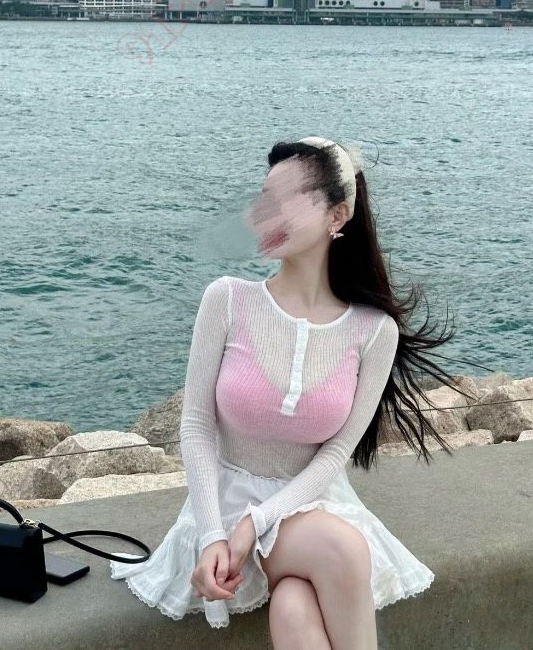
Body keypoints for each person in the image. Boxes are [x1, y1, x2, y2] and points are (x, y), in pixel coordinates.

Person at [110, 136, 464, 647]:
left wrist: (257, 524)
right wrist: (214, 533)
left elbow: (336, 452)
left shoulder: (373, 331)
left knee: (296, 609)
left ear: (337, 215)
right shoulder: (228, 300)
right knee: (341, 552)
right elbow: (197, 426)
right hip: (223, 510)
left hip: (310, 506)